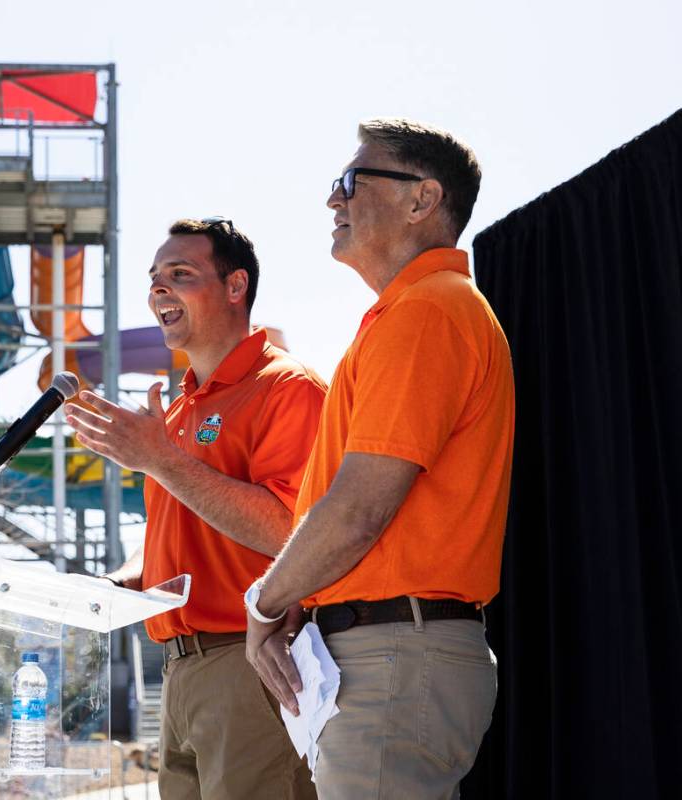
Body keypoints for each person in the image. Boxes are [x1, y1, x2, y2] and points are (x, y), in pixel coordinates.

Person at [244, 119, 515, 799]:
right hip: (388, 656)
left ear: (421, 199)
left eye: (348, 183)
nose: (331, 201)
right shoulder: (418, 311)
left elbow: (361, 508)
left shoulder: (427, 311)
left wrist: (264, 607)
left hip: (392, 657)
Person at [66, 218, 327, 799]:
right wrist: (116, 584)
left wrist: (160, 460)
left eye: (179, 274)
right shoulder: (179, 409)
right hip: (179, 672)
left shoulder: (289, 388)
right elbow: (182, 540)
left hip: (251, 664)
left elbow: (295, 532)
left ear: (236, 287)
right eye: (154, 278)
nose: (159, 288)